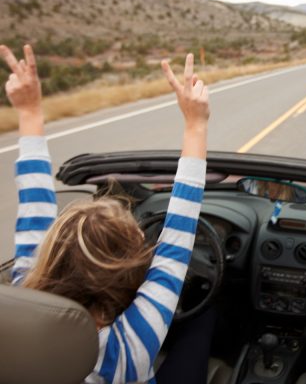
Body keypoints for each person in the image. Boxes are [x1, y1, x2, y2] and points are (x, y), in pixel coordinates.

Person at [2, 43, 211, 383]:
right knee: (203, 319)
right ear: (126, 279)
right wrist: (195, 124)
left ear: (50, 256)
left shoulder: (26, 291)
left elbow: (34, 205)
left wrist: (27, 112)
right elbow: (178, 240)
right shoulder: (127, 349)